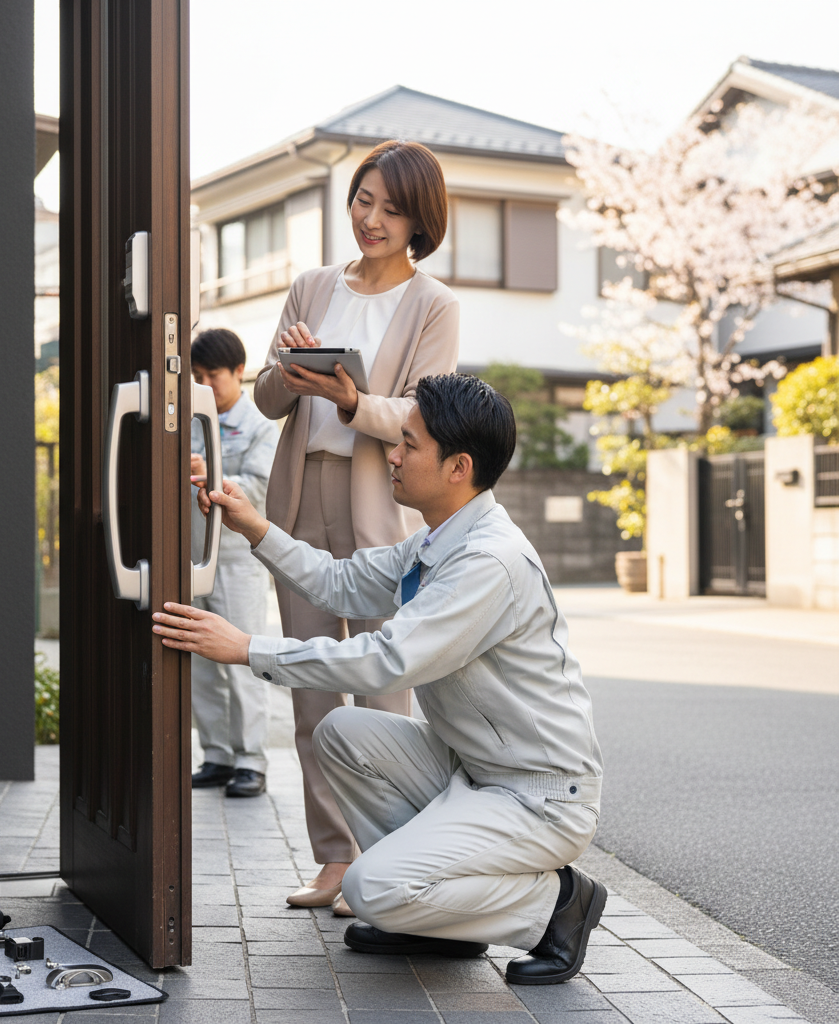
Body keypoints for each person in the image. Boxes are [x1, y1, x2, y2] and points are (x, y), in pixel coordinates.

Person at [152, 373, 607, 986]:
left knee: (370, 887)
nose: (391, 454)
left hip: (538, 797)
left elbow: (384, 660)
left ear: (458, 467)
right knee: (343, 730)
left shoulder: (487, 562)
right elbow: (341, 582)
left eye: (408, 444)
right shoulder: (438, 539)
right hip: (475, 773)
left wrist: (248, 648)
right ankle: (437, 920)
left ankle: (556, 907)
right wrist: (255, 527)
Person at [253, 139, 459, 911]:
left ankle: (385, 862)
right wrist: (289, 372)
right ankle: (334, 861)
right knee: (310, 688)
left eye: (392, 208)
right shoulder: (310, 286)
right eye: (364, 200)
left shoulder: (435, 304)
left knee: (383, 692)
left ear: (420, 220)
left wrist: (347, 400)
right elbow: (269, 401)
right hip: (301, 498)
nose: (372, 219)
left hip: (381, 505)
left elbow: (420, 411)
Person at [188, 328, 278, 797]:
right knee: (200, 659)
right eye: (196, 375)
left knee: (243, 659)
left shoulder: (261, 425)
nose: (204, 383)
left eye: (213, 375)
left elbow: (261, 489)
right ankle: (218, 755)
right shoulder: (184, 420)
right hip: (191, 553)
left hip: (237, 560)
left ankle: (251, 761)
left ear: (239, 372)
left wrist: (212, 475)